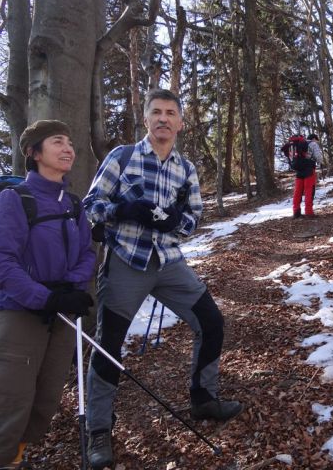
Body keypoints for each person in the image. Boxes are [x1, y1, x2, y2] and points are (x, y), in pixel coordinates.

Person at [83, 88, 242, 469]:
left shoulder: (185, 168)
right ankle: (99, 430)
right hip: (126, 261)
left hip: (169, 262)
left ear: (180, 122)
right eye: (156, 112)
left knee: (212, 322)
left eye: (171, 113)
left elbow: (194, 217)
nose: (163, 119)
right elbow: (91, 205)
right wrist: (126, 209)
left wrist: (176, 222)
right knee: (108, 344)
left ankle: (203, 398)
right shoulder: (121, 157)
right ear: (146, 118)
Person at [0, 120, 96, 470]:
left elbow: (87, 252)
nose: (68, 148)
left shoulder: (74, 204)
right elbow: (1, 264)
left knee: (45, 400)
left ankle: (15, 460)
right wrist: (46, 298)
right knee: (9, 403)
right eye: (57, 142)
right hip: (19, 315)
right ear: (34, 153)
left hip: (59, 315)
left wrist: (70, 288)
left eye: (70, 142)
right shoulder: (14, 201)